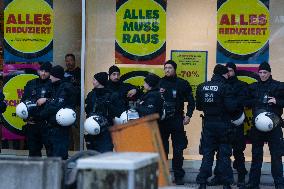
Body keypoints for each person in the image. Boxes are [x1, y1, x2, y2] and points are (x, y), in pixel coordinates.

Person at [195, 64, 238, 189]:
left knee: (207, 154)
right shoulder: (226, 87)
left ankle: (202, 182)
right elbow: (231, 107)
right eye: (227, 74)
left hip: (208, 124)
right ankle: (226, 184)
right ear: (224, 74)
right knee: (224, 154)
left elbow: (199, 107)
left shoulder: (201, 87)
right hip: (223, 125)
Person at [244, 62, 284, 189]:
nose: (262, 75)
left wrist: (277, 101)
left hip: (274, 126)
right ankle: (253, 183)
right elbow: (244, 101)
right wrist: (256, 102)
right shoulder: (253, 87)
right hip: (257, 127)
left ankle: (279, 184)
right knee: (256, 155)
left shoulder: (279, 86)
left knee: (276, 155)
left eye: (265, 72)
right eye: (260, 73)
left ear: (270, 73)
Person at [208, 62, 248, 187]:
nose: (228, 73)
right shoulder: (219, 85)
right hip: (222, 123)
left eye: (230, 70)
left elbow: (242, 101)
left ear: (234, 71)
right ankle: (219, 176)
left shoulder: (241, 85)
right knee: (221, 152)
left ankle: (241, 176)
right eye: (226, 71)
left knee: (238, 150)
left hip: (235, 122)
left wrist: (230, 103)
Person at [158, 60, 195, 185]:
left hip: (177, 120)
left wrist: (189, 115)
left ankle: (178, 175)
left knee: (178, 150)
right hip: (162, 122)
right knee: (162, 149)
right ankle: (162, 175)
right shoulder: (159, 83)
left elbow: (191, 101)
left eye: (170, 68)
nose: (167, 70)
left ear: (175, 69)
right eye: (165, 68)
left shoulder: (182, 84)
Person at [39, 65, 77, 160]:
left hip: (60, 128)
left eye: (51, 75)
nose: (50, 77)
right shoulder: (53, 86)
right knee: (51, 155)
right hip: (51, 126)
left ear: (56, 75)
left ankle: (60, 175)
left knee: (59, 156)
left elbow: (56, 105)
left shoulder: (65, 87)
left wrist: (42, 113)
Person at [21, 62, 52, 157]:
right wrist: (25, 118)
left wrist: (46, 99)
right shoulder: (31, 83)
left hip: (47, 124)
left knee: (51, 153)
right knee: (33, 153)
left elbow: (57, 101)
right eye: (42, 71)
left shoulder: (52, 83)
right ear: (38, 71)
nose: (43, 73)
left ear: (50, 73)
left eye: (46, 71)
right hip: (32, 123)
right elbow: (23, 102)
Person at [85, 72, 121, 153]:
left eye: (94, 80)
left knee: (105, 156)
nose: (93, 82)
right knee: (92, 155)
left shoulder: (112, 95)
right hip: (92, 129)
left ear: (99, 81)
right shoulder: (91, 94)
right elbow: (88, 110)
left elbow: (118, 112)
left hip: (106, 131)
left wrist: (108, 106)